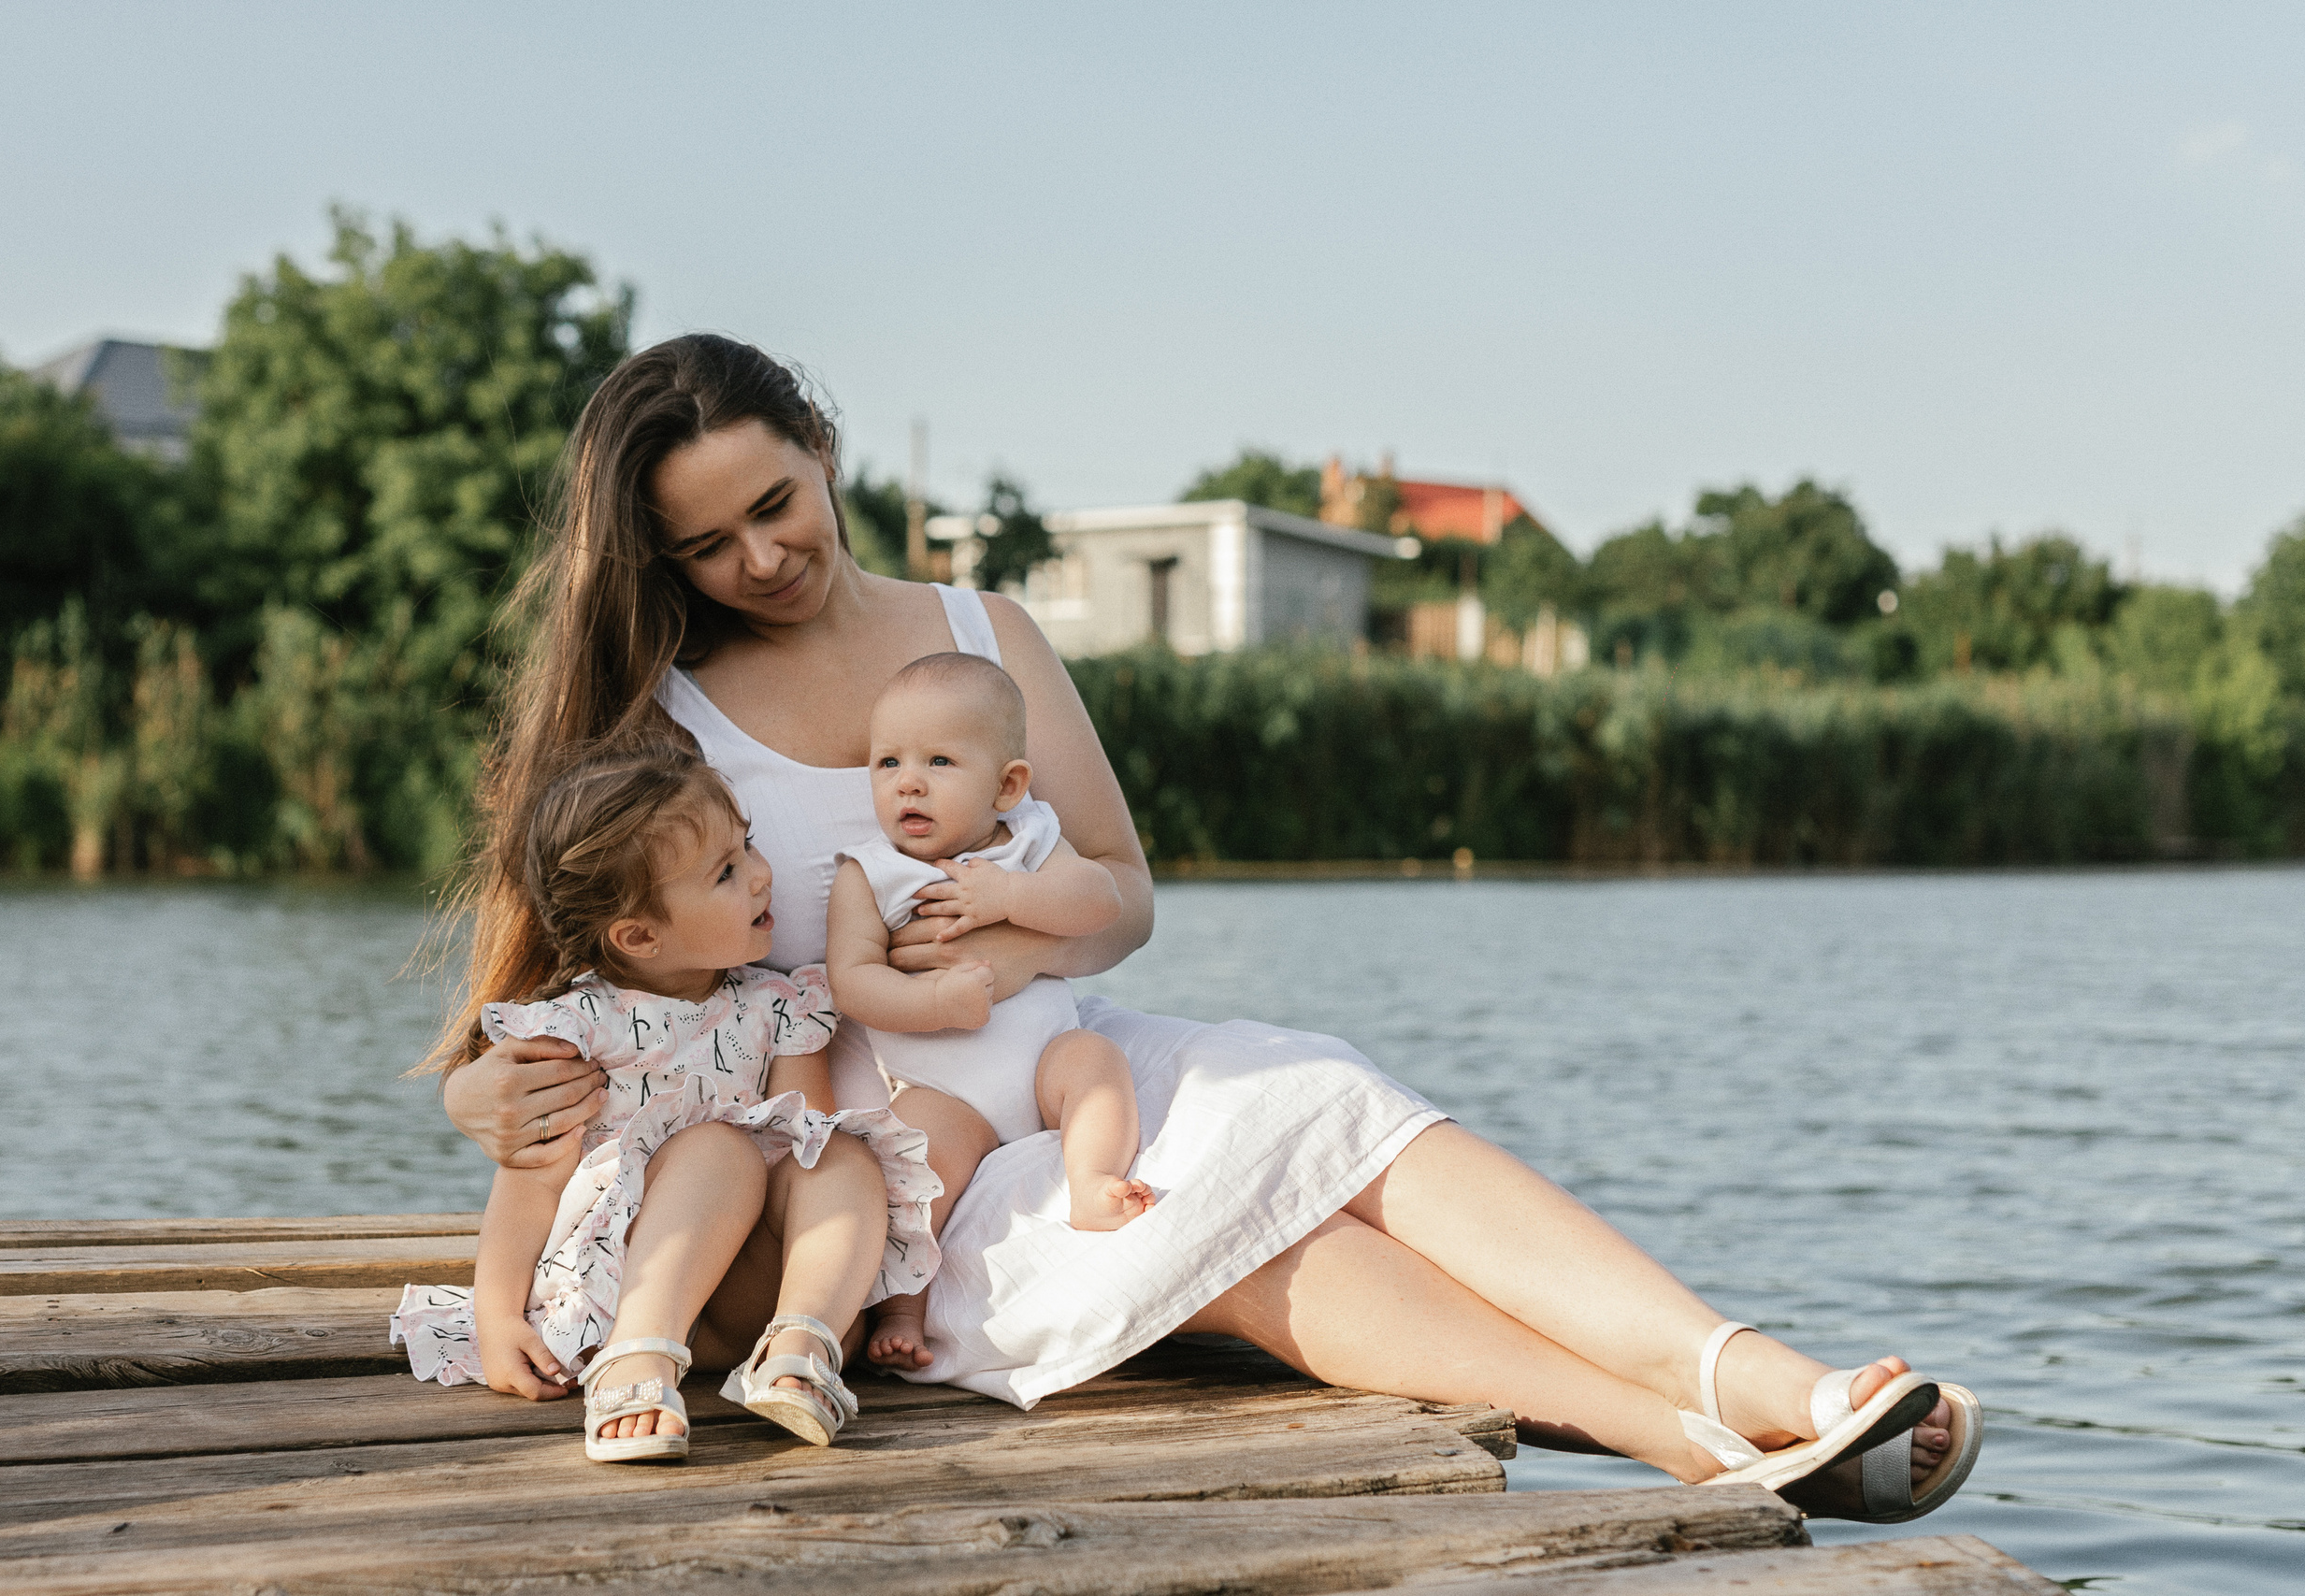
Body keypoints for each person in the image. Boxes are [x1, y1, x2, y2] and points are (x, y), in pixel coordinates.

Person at [436, 334, 1981, 1521]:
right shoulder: (655, 713)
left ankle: (1749, 1369)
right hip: (859, 1144)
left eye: (775, 504)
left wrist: (1003, 949)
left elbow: (1119, 888)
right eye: (706, 545)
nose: (759, 557)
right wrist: (488, 1100)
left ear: (822, 451)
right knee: (1220, 1226)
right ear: (657, 562)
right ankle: (1690, 1441)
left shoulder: (985, 633)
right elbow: (497, 1036)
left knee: (1325, 1100)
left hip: (1046, 1050)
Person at [396, 742, 937, 1456]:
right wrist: (497, 1316)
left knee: (837, 1151)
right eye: (726, 871)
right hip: (626, 1287)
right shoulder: (579, 1030)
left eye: (746, 847)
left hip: (744, 1298)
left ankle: (800, 1343)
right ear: (640, 935)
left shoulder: (783, 1006)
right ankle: (637, 1357)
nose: (761, 875)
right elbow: (529, 1184)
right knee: (721, 1149)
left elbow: (801, 1147)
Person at [828, 650, 1157, 1369]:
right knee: (916, 1159)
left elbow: (1100, 900)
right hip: (946, 1093)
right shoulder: (871, 871)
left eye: (939, 761)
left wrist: (1010, 899)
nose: (908, 781)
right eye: (888, 763)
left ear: (1007, 785)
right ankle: (902, 1307)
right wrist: (933, 998)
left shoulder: (1035, 839)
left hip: (1042, 1065)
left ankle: (1092, 1179)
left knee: (1096, 1063)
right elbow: (851, 981)